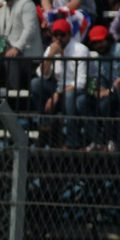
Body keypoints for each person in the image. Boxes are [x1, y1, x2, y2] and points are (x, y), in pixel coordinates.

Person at [32, 17, 90, 146]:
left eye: (62, 35)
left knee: (69, 95)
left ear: (69, 35)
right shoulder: (51, 49)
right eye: (55, 35)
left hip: (77, 91)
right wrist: (49, 57)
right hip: (58, 89)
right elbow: (43, 76)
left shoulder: (80, 50)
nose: (58, 38)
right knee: (36, 84)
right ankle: (47, 124)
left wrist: (58, 94)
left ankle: (71, 140)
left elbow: (81, 82)